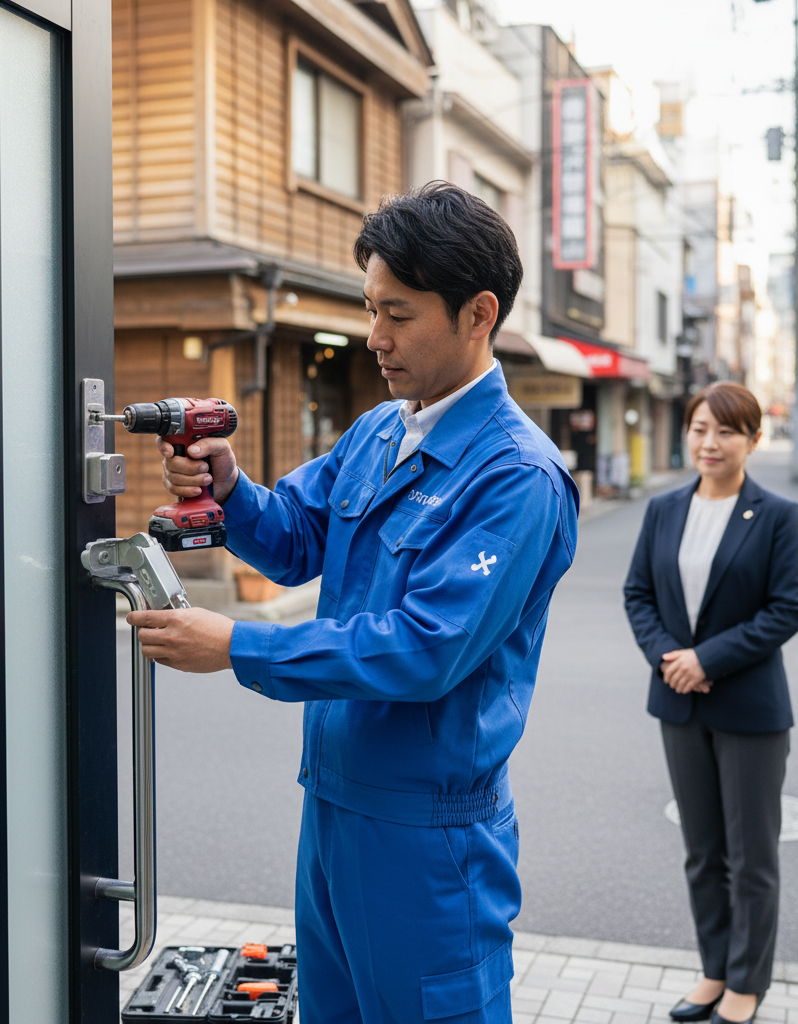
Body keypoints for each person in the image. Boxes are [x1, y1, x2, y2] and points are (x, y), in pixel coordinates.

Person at [127, 182, 579, 1024]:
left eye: (398, 315)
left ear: (479, 313)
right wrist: (230, 490)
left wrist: (239, 644)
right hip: (333, 804)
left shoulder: (516, 476)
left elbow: (423, 648)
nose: (375, 338)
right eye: (372, 309)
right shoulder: (380, 428)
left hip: (430, 837)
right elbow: (299, 533)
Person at [623, 383, 798, 1024]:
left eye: (726, 431)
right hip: (679, 702)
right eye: (700, 428)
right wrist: (671, 658)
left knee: (751, 855)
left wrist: (709, 660)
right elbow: (638, 594)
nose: (709, 441)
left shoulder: (777, 515)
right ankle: (713, 969)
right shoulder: (665, 509)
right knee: (703, 851)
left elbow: (787, 610)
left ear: (753, 440)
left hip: (750, 710)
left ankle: (746, 983)